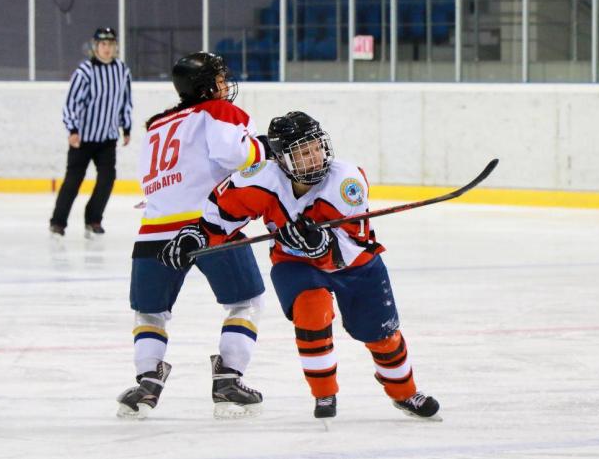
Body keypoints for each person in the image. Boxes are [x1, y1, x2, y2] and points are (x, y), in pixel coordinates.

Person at [158, 111, 441, 421]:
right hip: (294, 263)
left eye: (317, 147)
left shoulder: (347, 181)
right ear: (281, 160)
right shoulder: (260, 179)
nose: (316, 157)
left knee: (382, 336)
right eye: (304, 153)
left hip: (356, 265)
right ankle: (324, 394)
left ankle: (404, 393)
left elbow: (353, 243)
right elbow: (221, 215)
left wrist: (319, 242)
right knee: (311, 311)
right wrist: (195, 237)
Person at [116, 52, 267, 420]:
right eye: (217, 78)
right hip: (208, 227)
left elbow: (155, 179)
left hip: (154, 230)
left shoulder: (156, 125)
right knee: (246, 302)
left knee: (149, 312)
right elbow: (234, 154)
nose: (223, 84)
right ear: (204, 87)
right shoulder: (217, 111)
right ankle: (229, 379)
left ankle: (148, 380)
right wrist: (264, 147)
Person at [50, 27, 133, 239]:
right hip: (83, 138)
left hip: (107, 138)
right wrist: (73, 129)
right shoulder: (85, 71)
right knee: (73, 181)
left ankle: (93, 219)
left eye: (111, 45)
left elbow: (125, 101)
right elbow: (72, 103)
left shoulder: (122, 70)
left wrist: (126, 127)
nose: (107, 49)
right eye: (103, 44)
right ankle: (58, 222)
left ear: (115, 47)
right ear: (95, 47)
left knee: (107, 179)